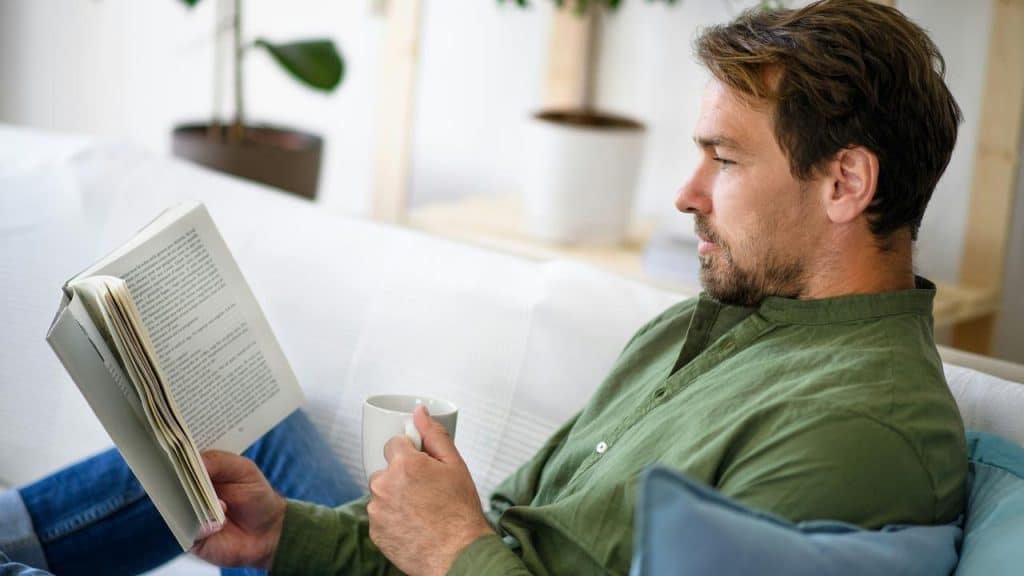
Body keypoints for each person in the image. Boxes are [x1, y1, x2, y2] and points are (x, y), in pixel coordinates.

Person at [1, 0, 967, 574]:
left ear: (846, 183)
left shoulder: (856, 433)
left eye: (724, 159)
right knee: (246, 447)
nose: (686, 194)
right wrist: (287, 537)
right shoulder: (712, 323)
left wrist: (452, 545)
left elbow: (474, 550)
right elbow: (513, 536)